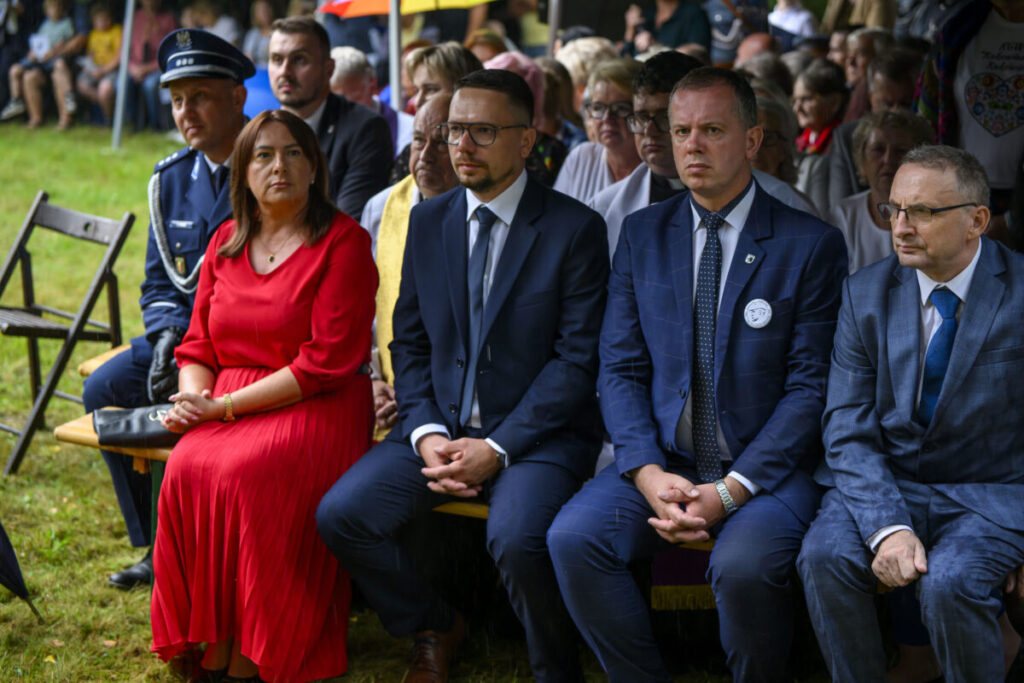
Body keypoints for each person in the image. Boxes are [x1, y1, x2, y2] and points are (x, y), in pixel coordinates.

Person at [547, 67, 848, 682]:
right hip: (666, 462)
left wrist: (732, 490)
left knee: (740, 566)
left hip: (768, 470)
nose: (691, 145)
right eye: (680, 130)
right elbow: (622, 366)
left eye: (712, 129)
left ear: (752, 140)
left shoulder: (810, 244)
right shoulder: (641, 233)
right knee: (574, 540)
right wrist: (648, 471)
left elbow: (810, 388)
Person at [316, 69, 609, 683]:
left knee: (518, 537)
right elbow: (410, 342)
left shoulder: (575, 230)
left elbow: (576, 363)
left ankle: (556, 668)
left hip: (536, 441)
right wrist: (424, 431)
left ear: (526, 141)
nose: (462, 146)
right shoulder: (430, 221)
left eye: (483, 131)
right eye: (454, 130)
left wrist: (497, 448)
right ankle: (434, 621)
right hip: (437, 429)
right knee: (342, 515)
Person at [150, 108, 376, 682]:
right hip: (227, 397)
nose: (280, 166)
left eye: (294, 153)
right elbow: (197, 343)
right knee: (185, 468)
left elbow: (324, 363)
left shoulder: (344, 243)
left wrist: (219, 408)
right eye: (264, 155)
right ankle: (216, 637)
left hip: (316, 401)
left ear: (314, 166)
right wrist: (190, 401)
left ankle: (262, 648)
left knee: (247, 476)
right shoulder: (226, 240)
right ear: (244, 172)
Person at [797, 145, 1024, 682]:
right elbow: (846, 428)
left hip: (991, 495)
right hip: (888, 484)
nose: (900, 225)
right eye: (893, 209)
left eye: (922, 211)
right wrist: (888, 526)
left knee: (951, 582)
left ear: (977, 221)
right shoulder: (864, 294)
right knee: (823, 558)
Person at [82, 28, 252, 592]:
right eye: (177, 101)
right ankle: (156, 543)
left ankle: (196, 547)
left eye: (200, 96)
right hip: (182, 339)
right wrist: (163, 339)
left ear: (236, 98)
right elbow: (159, 283)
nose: (187, 112)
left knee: (182, 403)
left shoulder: (268, 166)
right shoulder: (172, 178)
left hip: (246, 352)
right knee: (104, 390)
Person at [589, 51, 817, 255]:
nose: (649, 131)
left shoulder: (785, 204)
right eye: (640, 117)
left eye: (663, 117)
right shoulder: (605, 208)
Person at [360, 94, 460, 437]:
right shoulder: (381, 207)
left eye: (442, 142)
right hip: (385, 394)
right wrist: (372, 381)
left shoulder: (481, 215)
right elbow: (364, 311)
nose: (426, 155)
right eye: (419, 140)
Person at [268, 15, 392, 221]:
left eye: (299, 59)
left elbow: (347, 224)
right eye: (277, 59)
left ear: (329, 69)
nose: (285, 72)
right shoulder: (260, 133)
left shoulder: (366, 128)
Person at [830, 110, 933, 273]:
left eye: (900, 151)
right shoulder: (844, 216)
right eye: (878, 149)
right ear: (861, 160)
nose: (887, 159)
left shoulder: (934, 215)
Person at [827, 47, 923, 206]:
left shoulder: (935, 134)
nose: (895, 112)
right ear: (871, 98)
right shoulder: (847, 138)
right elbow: (840, 208)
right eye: (887, 104)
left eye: (905, 104)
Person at [553, 57, 642, 204]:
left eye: (620, 108)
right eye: (598, 108)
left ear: (641, 112)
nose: (607, 118)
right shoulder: (582, 158)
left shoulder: (657, 171)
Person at [1, 0, 75, 128]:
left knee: (59, 67)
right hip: (40, 61)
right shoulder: (44, 25)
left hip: (56, 60)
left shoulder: (67, 24)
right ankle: (21, 106)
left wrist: (56, 51)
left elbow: (69, 43)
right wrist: (33, 54)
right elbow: (38, 43)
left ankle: (68, 106)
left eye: (57, 8)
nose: (54, 12)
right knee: (21, 73)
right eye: (51, 9)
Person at [125, 0, 177, 131]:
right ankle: (132, 122)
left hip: (157, 66)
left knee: (150, 85)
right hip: (135, 66)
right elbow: (124, 49)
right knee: (123, 83)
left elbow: (171, 50)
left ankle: (155, 125)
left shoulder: (168, 19)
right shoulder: (133, 17)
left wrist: (158, 33)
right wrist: (133, 68)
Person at [74, 1, 121, 126]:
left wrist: (103, 71)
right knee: (81, 84)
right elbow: (91, 55)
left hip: (111, 69)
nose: (102, 23)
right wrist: (88, 67)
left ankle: (108, 120)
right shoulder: (93, 34)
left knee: (104, 89)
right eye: (99, 20)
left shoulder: (117, 31)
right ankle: (106, 104)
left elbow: (119, 58)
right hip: (95, 68)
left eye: (105, 19)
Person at [623, 0, 711, 55]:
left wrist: (656, 47)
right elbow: (627, 60)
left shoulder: (693, 13)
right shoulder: (646, 16)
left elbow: (699, 55)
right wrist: (630, 31)